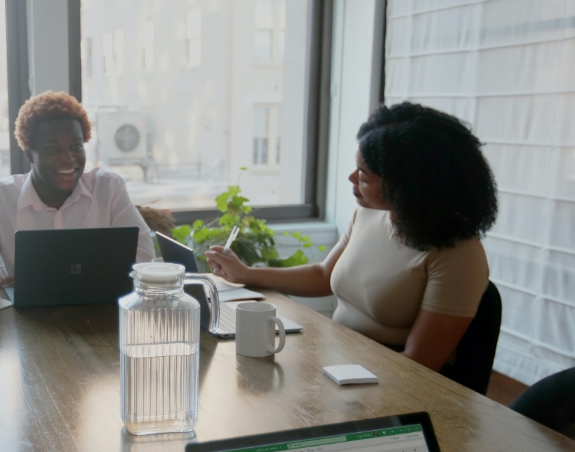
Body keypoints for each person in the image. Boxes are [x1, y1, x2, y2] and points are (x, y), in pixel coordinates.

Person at [206, 102, 498, 373]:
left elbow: (419, 365)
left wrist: (330, 374)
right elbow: (323, 275)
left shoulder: (459, 255)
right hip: (339, 361)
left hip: (385, 383)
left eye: (365, 175)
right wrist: (246, 274)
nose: (351, 179)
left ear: (408, 186)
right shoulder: (371, 214)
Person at [0, 91, 154, 292]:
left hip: (98, 315)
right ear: (30, 154)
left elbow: (145, 257)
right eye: (53, 148)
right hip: (25, 320)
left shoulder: (108, 188)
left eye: (76, 146)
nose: (68, 157)